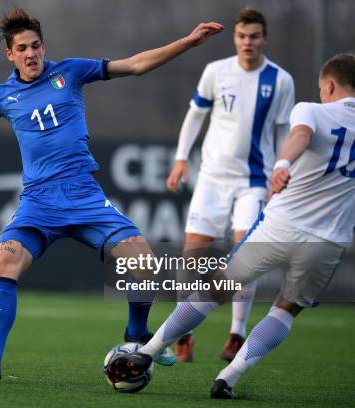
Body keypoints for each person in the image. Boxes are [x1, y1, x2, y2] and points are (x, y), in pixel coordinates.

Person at [0, 8, 223, 383]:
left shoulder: (70, 71)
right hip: (38, 203)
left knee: (145, 264)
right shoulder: (2, 96)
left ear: (43, 46)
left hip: (83, 196)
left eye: (35, 45)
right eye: (22, 48)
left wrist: (188, 41)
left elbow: (134, 65)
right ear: (10, 54)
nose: (31, 53)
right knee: (4, 264)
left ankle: (136, 333)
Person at [106, 53, 355, 399]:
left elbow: (300, 135)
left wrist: (283, 162)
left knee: (214, 289)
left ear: (328, 85)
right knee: (286, 308)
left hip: (280, 226)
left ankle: (146, 354)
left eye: (321, 89)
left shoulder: (311, 109)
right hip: (327, 242)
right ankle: (229, 376)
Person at [166, 7, 295, 362]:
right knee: (192, 254)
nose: (247, 42)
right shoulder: (215, 72)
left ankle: (236, 334)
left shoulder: (281, 80)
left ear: (264, 39)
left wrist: (282, 169)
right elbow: (196, 115)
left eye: (254, 36)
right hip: (211, 177)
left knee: (245, 257)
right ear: (235, 38)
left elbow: (284, 130)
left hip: (254, 181)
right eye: (241, 36)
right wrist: (181, 158)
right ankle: (184, 333)